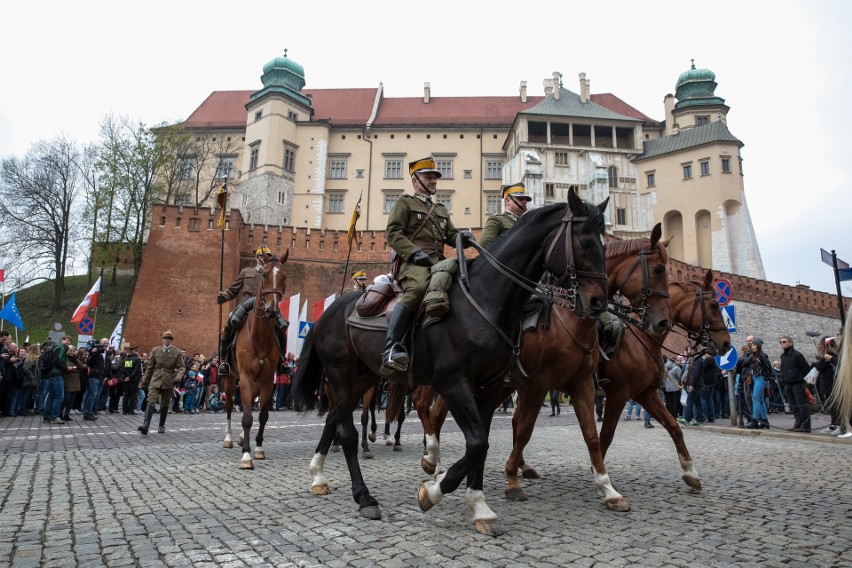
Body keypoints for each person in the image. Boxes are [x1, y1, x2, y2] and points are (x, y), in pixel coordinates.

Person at [381, 157, 473, 374]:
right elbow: (392, 232)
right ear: (415, 180)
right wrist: (413, 252)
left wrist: (464, 237)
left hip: (439, 261)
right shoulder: (405, 203)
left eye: (435, 178)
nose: (433, 181)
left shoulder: (440, 209)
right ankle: (392, 347)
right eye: (428, 177)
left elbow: (450, 235)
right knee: (420, 288)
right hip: (412, 263)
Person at [217, 245, 289, 370]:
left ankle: (282, 362)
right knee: (229, 325)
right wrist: (224, 296)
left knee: (282, 327)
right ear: (256, 258)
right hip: (245, 304)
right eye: (260, 256)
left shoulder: (272, 272)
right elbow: (233, 291)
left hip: (266, 305)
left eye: (265, 256)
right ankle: (224, 361)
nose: (262, 258)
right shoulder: (247, 272)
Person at [139, 330, 185, 435]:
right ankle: (145, 426)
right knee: (151, 400)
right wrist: (145, 380)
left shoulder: (177, 352)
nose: (167, 340)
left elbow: (182, 368)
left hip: (169, 381)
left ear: (171, 340)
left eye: (169, 339)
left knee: (165, 403)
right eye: (166, 338)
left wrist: (178, 378)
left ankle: (161, 425)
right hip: (155, 379)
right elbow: (150, 367)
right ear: (162, 339)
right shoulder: (155, 351)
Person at [478, 182, 532, 248]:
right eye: (520, 198)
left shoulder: (525, 223)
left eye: (525, 199)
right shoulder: (497, 220)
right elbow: (484, 245)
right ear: (507, 201)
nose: (525, 201)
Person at [779, 335, 812, 433]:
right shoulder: (783, 356)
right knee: (793, 405)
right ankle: (798, 423)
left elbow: (806, 368)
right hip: (788, 383)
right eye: (781, 342)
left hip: (798, 383)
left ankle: (806, 425)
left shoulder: (797, 355)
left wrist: (802, 380)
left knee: (801, 404)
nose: (782, 344)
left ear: (790, 343)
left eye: (784, 341)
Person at [741, 338, 772, 429]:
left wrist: (766, 378)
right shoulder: (753, 356)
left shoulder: (762, 355)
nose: (753, 346)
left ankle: (754, 421)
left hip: (760, 378)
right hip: (755, 378)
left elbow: (768, 367)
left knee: (755, 399)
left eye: (755, 345)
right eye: (752, 345)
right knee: (761, 400)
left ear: (759, 346)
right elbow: (744, 363)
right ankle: (765, 421)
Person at [814, 336, 841, 434]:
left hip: (832, 382)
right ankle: (833, 425)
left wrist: (825, 358)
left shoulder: (831, 354)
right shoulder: (830, 355)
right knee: (832, 406)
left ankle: (838, 425)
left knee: (835, 406)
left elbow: (820, 367)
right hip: (828, 383)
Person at [43, 336, 71, 425]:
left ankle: (47, 417)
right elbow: (56, 361)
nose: (69, 342)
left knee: (51, 396)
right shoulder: (61, 348)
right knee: (59, 396)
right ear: (61, 340)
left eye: (70, 341)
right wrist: (66, 368)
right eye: (67, 340)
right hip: (57, 374)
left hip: (51, 373)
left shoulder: (55, 347)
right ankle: (55, 416)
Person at [60, 346, 86, 422]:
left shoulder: (75, 358)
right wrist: (74, 368)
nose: (72, 352)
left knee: (72, 399)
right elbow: (67, 367)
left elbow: (81, 367)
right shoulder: (64, 358)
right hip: (68, 379)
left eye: (73, 351)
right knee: (66, 398)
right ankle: (60, 413)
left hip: (76, 380)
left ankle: (67, 414)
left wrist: (76, 359)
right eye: (70, 350)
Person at [119, 345, 142, 415]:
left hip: (126, 380)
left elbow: (124, 369)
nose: (139, 352)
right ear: (134, 351)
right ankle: (131, 410)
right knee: (132, 395)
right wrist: (130, 377)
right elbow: (136, 370)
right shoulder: (137, 359)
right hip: (133, 380)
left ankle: (124, 410)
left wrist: (125, 377)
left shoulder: (126, 359)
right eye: (137, 351)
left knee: (126, 395)